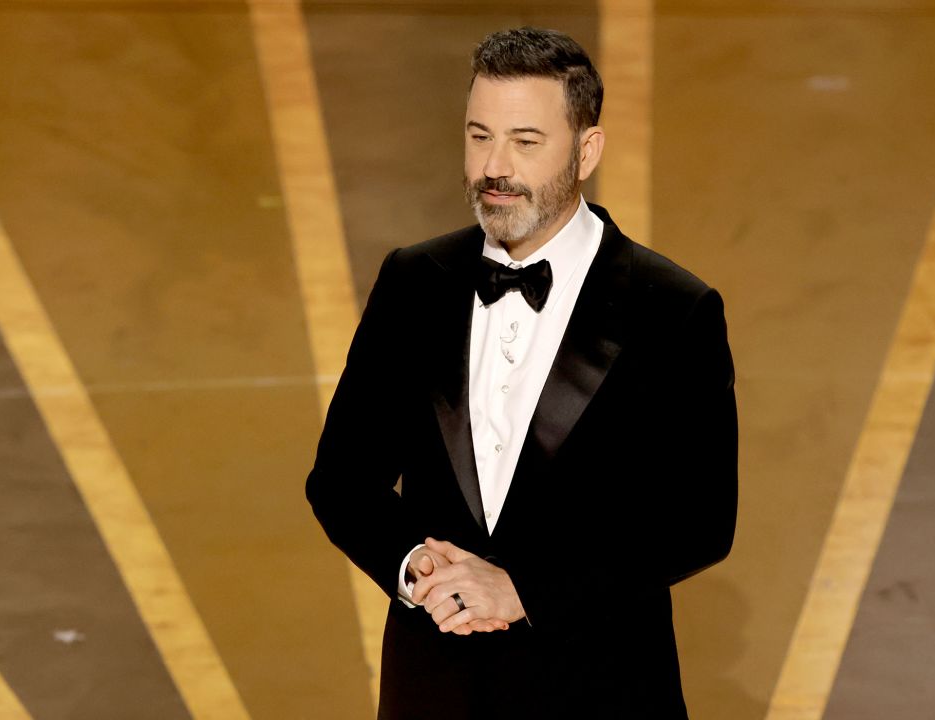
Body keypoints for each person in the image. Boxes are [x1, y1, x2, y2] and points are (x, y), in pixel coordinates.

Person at [307, 26, 737, 719]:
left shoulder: (673, 310)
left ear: (587, 149)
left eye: (525, 142)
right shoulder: (413, 282)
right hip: (436, 687)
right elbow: (342, 480)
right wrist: (415, 565)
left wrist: (525, 590)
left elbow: (699, 521)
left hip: (601, 691)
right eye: (480, 137)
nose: (493, 168)